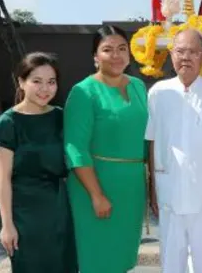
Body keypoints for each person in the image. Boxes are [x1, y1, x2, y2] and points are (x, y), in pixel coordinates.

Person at [145, 28, 202, 273]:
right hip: (169, 193)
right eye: (180, 51)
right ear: (171, 54)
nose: (186, 57)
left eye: (193, 52)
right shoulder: (157, 92)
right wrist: (153, 186)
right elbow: (152, 141)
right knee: (171, 265)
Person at [63, 25, 149, 273]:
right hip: (96, 186)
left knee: (122, 258)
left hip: (131, 187)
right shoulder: (83, 92)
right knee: (98, 259)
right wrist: (96, 195)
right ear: (95, 57)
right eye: (108, 50)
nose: (116, 55)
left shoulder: (138, 87)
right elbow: (75, 148)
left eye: (122, 48)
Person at [0, 52, 77, 273]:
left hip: (61, 211)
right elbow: (2, 180)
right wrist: (7, 225)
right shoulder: (7, 124)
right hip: (26, 217)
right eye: (36, 81)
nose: (45, 89)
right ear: (21, 82)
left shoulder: (61, 117)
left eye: (51, 82)